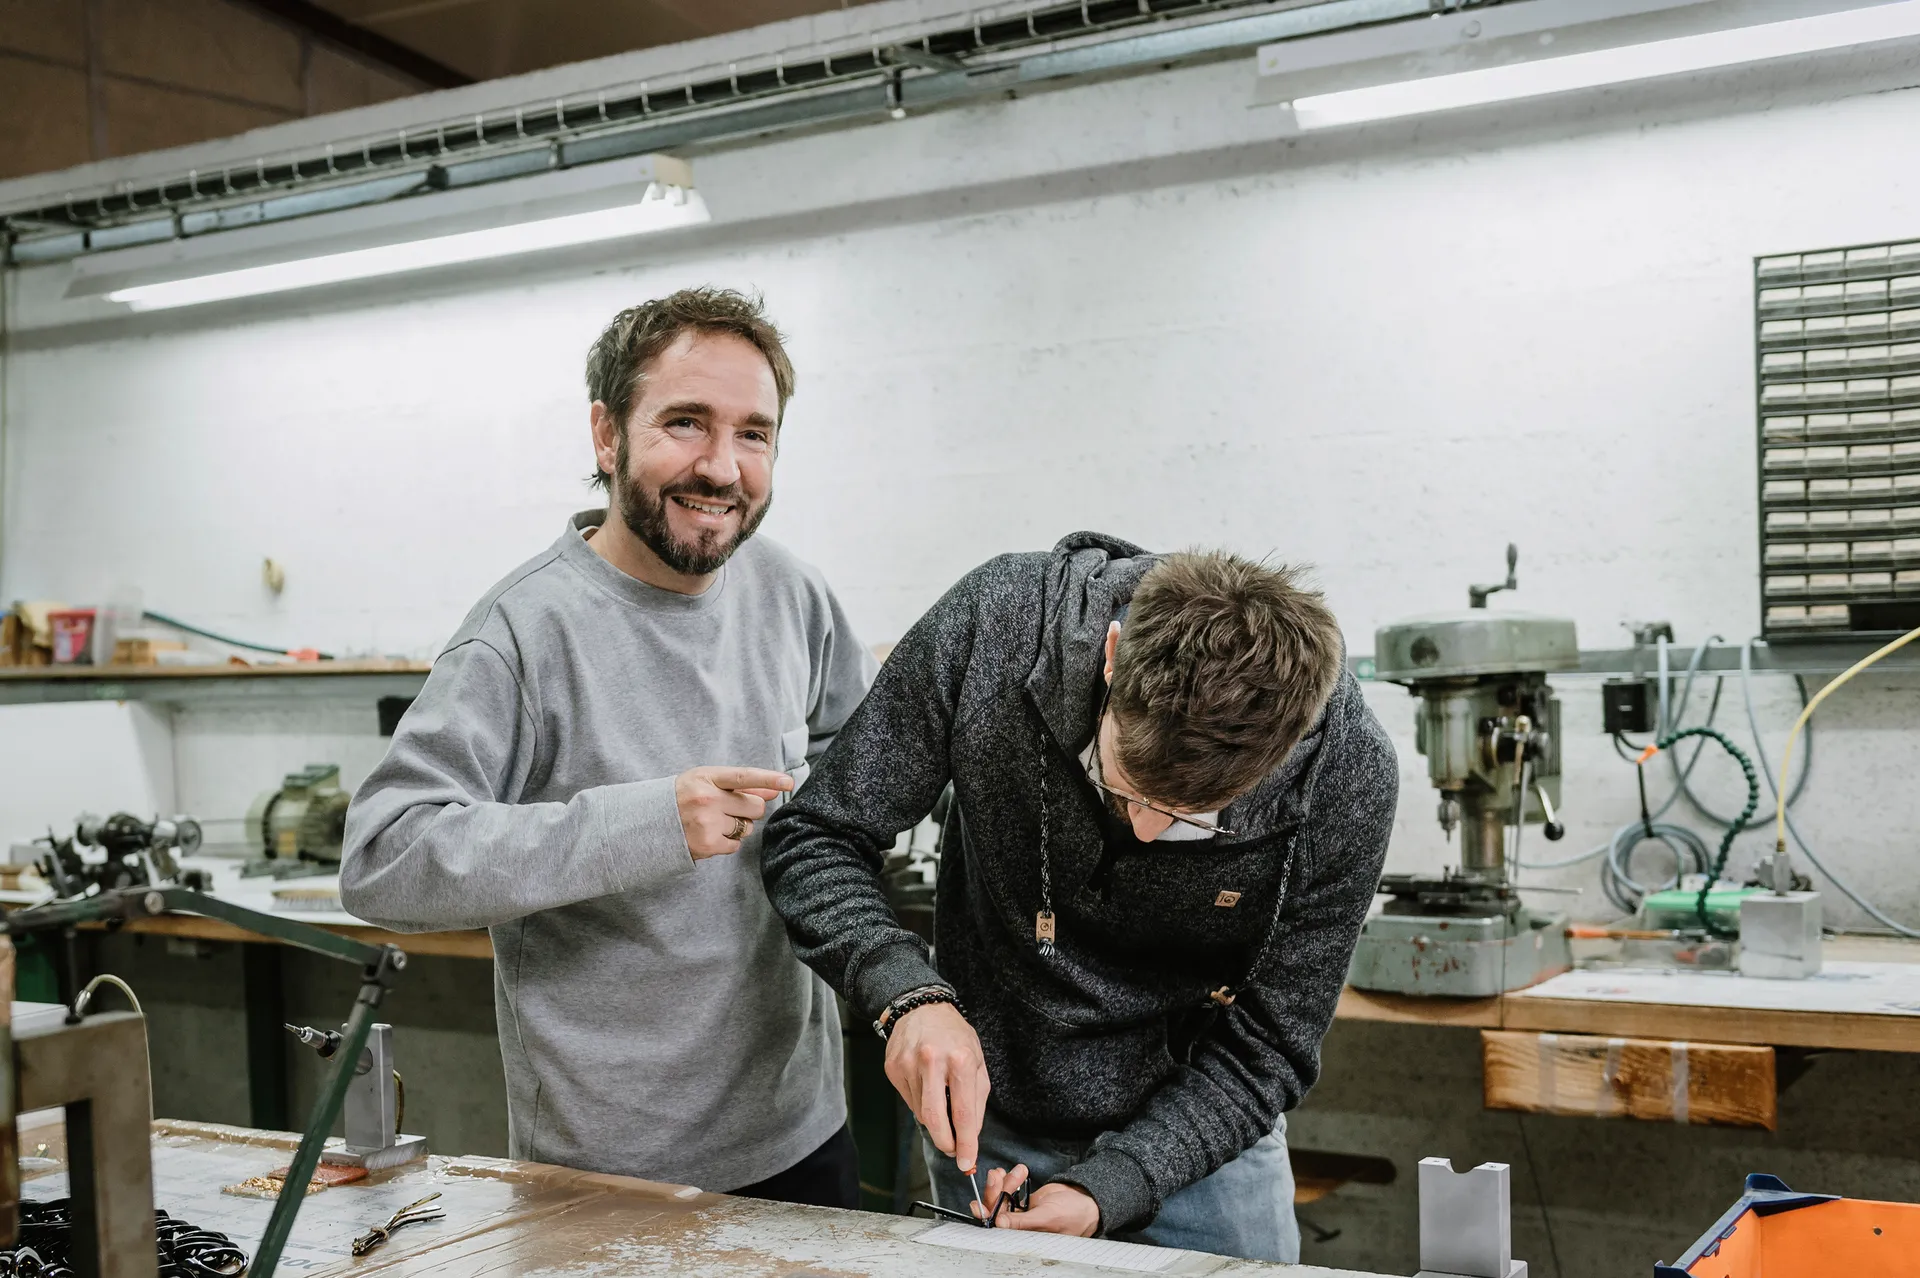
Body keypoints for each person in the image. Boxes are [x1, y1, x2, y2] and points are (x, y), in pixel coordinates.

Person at [341, 287, 874, 1207]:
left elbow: (855, 776)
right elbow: (384, 858)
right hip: (608, 1166)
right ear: (606, 434)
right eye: (685, 423)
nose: (722, 467)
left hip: (803, 1126)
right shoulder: (520, 635)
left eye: (755, 434)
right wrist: (647, 821)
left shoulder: (793, 594)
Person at [761, 533, 1397, 1260]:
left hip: (1200, 1140)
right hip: (988, 1120)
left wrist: (1111, 1187)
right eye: (1121, 784)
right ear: (1114, 653)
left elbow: (1269, 1050)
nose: (1150, 831)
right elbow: (816, 836)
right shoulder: (997, 627)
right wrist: (905, 994)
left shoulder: (1345, 771)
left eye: (1196, 817)